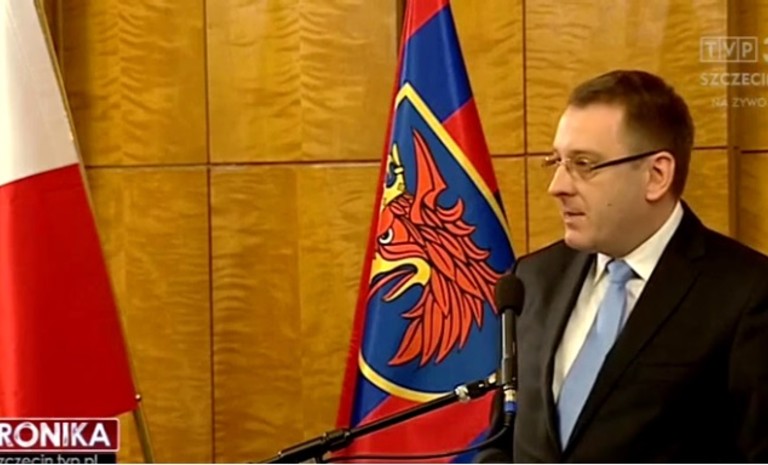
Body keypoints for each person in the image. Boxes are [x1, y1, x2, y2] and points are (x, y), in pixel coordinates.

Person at [504, 70, 768, 462]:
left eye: (584, 164)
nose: (557, 186)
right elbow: (505, 436)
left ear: (656, 175)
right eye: (556, 161)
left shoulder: (746, 293)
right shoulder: (531, 279)